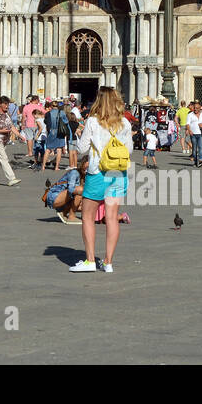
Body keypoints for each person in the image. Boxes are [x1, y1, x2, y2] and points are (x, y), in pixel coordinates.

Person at [69, 87, 133, 273]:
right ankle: (108, 262)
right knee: (112, 218)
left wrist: (79, 137)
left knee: (88, 217)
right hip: (118, 174)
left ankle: (90, 261)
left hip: (98, 173)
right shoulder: (125, 123)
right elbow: (128, 150)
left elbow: (81, 149)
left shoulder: (92, 122)